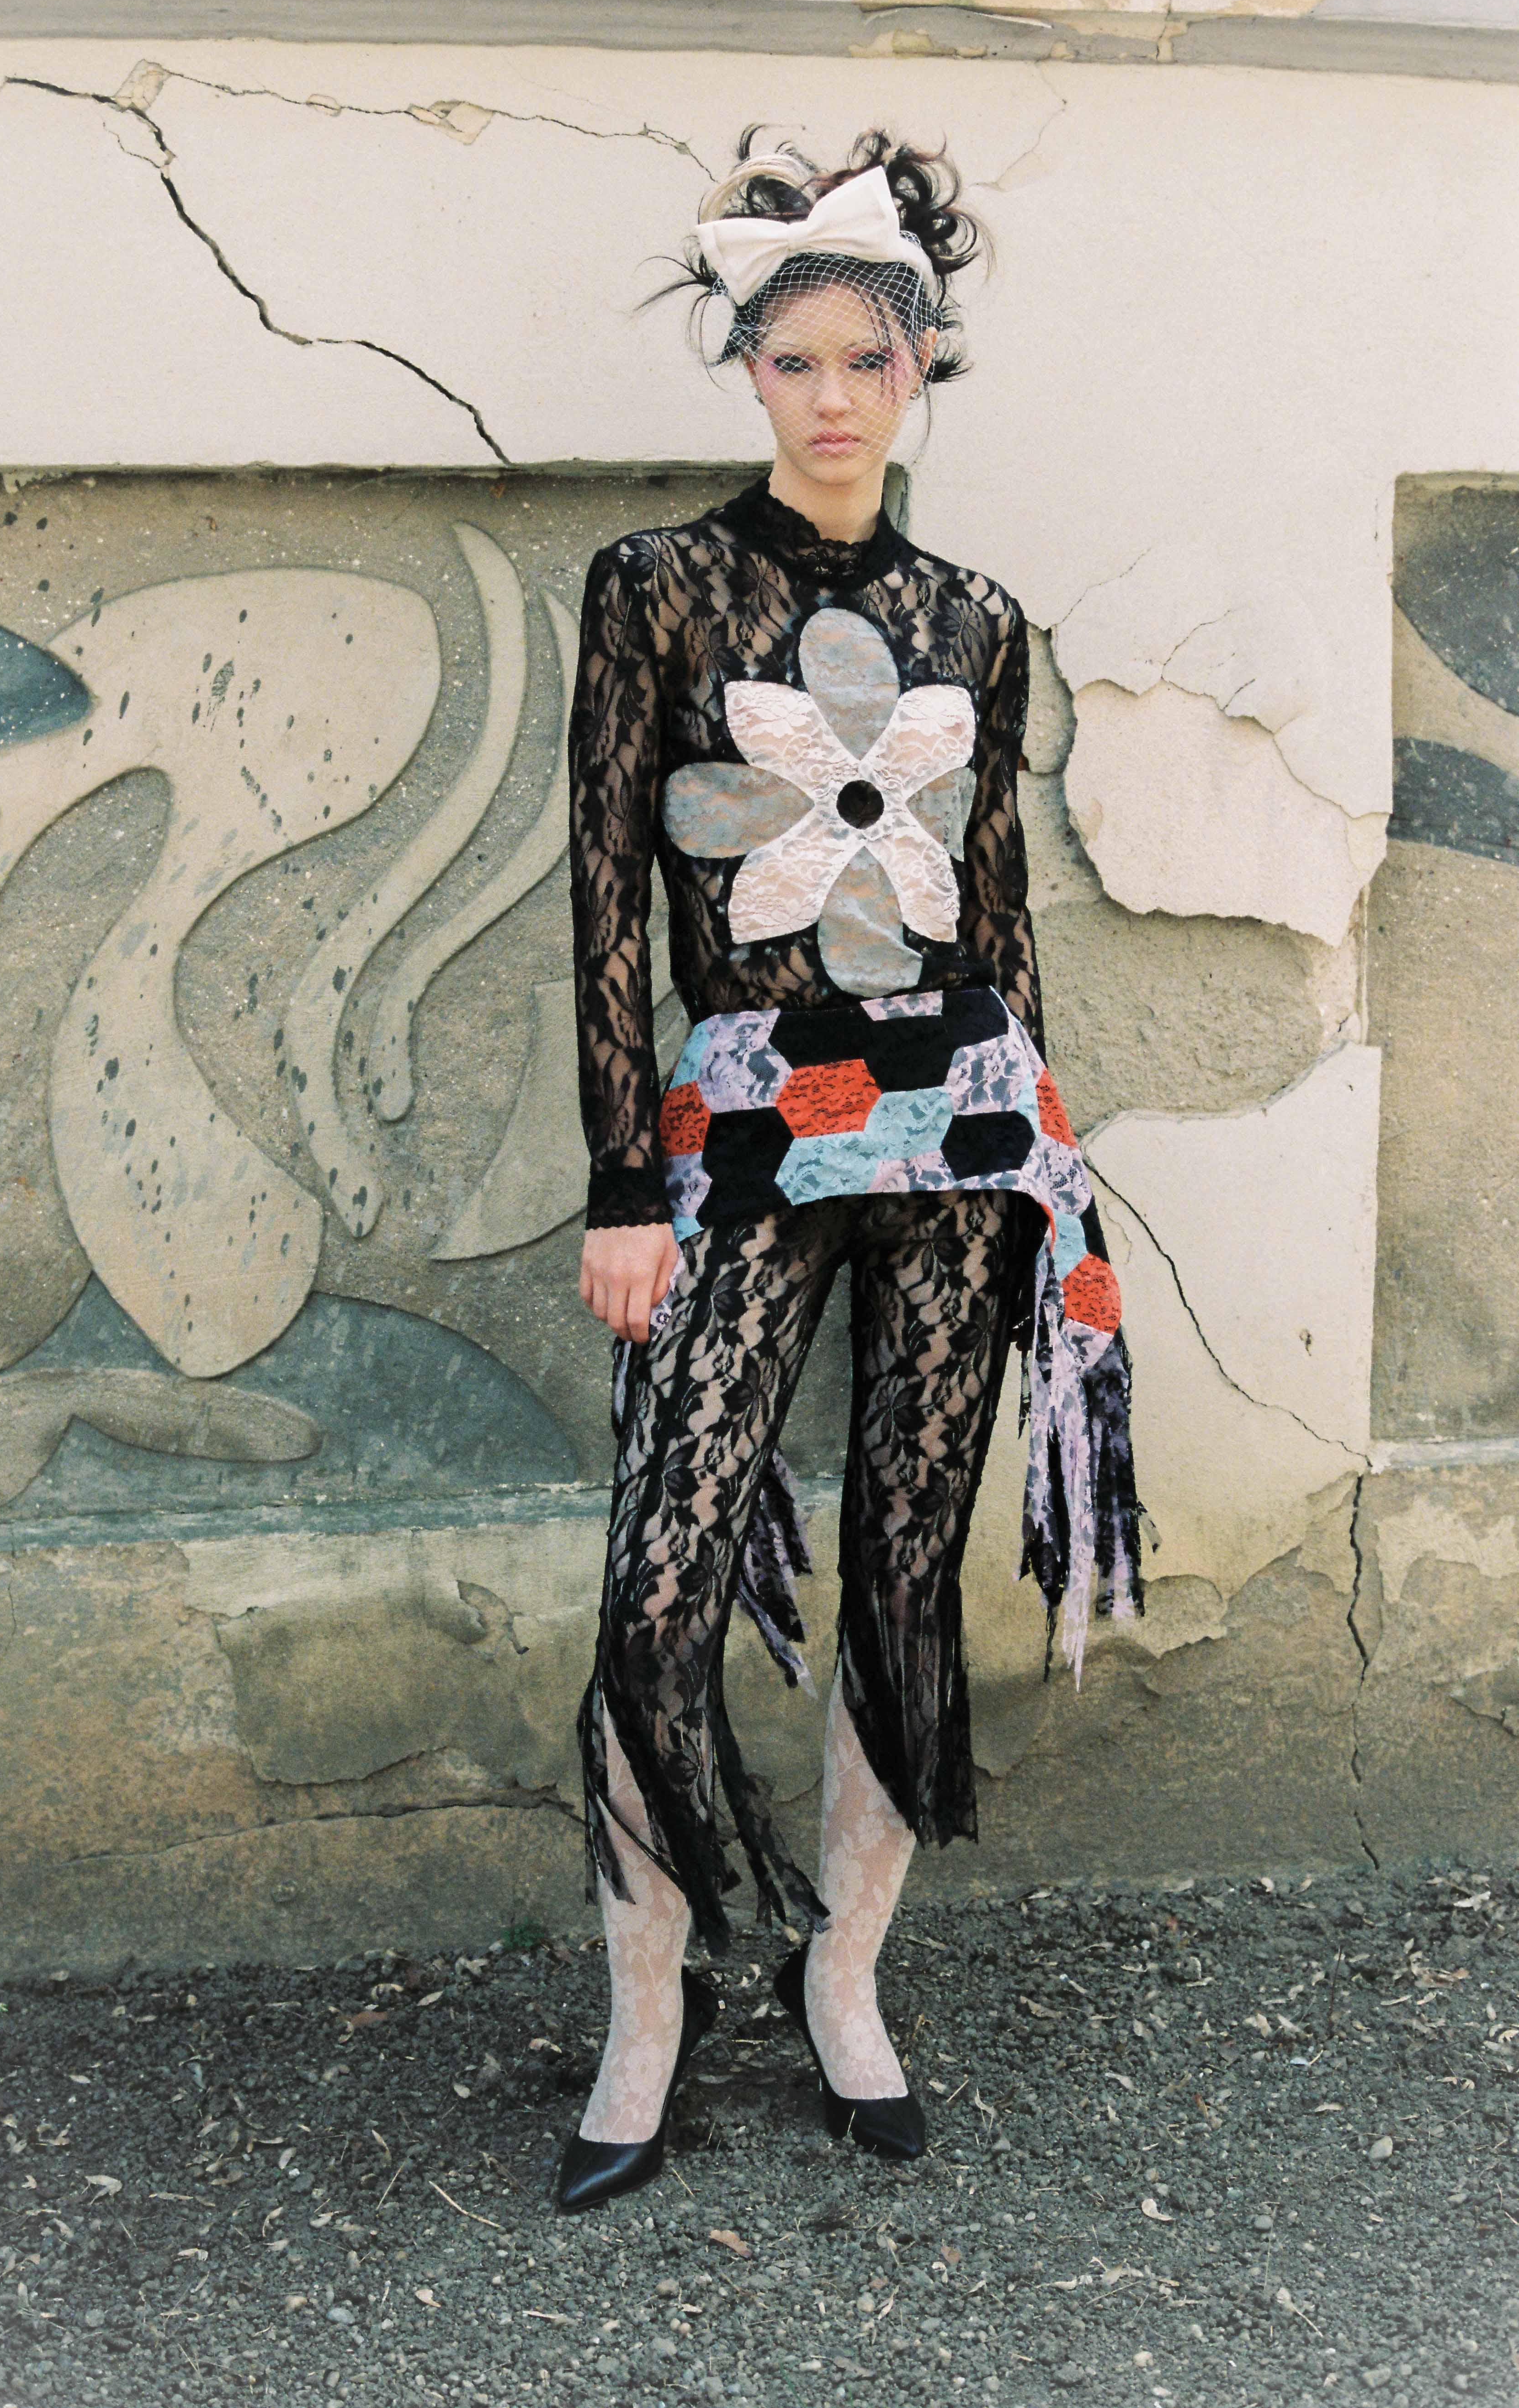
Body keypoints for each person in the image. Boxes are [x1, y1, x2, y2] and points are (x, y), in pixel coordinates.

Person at [555, 128, 1145, 2215]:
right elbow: (602, 898)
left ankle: (846, 1977)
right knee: (659, 1576)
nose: (830, 397)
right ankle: (647, 2007)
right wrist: (620, 1182)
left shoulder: (975, 617)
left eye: (866, 361)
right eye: (792, 359)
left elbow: (997, 906)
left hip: (963, 1132)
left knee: (907, 1568)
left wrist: (1044, 1165)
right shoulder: (654, 587)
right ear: (747, 369)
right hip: (739, 1129)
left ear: (920, 371)